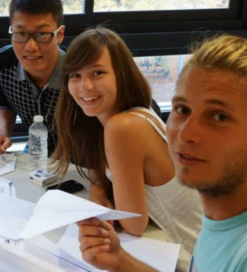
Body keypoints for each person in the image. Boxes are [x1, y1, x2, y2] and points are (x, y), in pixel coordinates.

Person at [78, 34, 247, 272]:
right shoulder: (226, 211)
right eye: (182, 109)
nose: (186, 134)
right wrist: (121, 262)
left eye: (219, 117)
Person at [53, 27, 202, 271]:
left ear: (121, 75)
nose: (85, 86)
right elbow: (100, 172)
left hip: (190, 258)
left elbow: (134, 224)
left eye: (98, 73)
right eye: (75, 76)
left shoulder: (123, 127)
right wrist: (99, 191)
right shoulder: (135, 115)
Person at [0, 0, 65, 155]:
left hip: (82, 158)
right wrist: (1, 134)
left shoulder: (79, 72)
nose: (31, 47)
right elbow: (4, 102)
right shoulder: (4, 63)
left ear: (60, 35)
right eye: (21, 34)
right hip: (35, 152)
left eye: (42, 34)